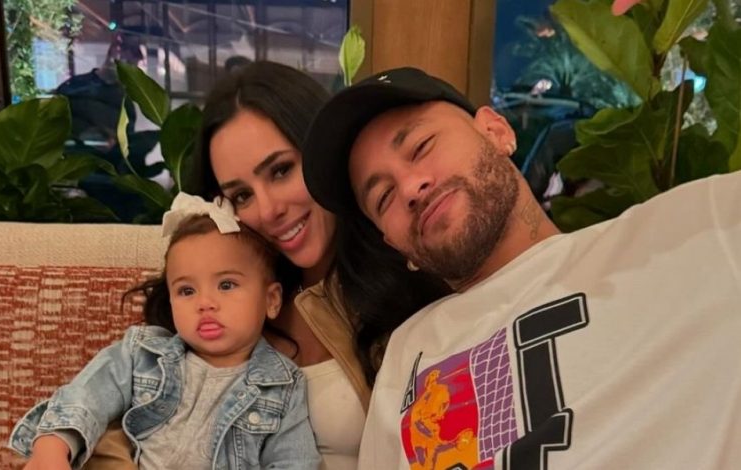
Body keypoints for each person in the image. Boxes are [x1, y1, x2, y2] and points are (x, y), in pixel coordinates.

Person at [301, 67, 741, 469]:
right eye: (383, 198)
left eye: (421, 147)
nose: (411, 188)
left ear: (496, 131)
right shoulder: (407, 352)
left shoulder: (691, 230)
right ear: (397, 246)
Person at [84, 61, 449, 470]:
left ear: (324, 154)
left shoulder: (406, 280)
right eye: (241, 196)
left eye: (281, 170)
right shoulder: (216, 302)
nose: (268, 210)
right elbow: (123, 417)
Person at [9, 193, 321, 470]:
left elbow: (295, 461)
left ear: (271, 300)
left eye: (227, 285)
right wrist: (52, 445)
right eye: (186, 290)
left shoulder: (282, 386)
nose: (205, 303)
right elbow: (86, 396)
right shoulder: (142, 354)